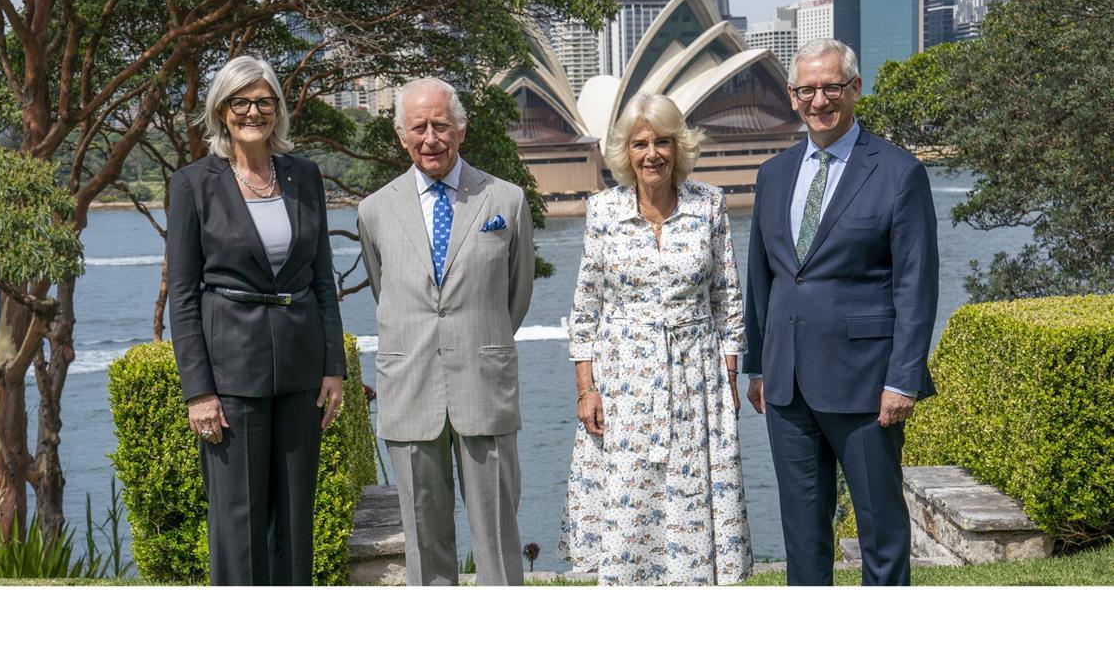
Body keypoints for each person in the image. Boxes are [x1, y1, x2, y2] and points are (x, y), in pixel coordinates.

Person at [743, 38, 939, 586]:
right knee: (803, 535)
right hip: (786, 385)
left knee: (880, 529)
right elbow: (764, 278)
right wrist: (757, 366)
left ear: (855, 89)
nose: (819, 100)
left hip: (866, 383)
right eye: (807, 89)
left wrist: (903, 379)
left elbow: (916, 285)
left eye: (831, 87)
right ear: (791, 96)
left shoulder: (899, 172)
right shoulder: (774, 174)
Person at [559, 92, 753, 585]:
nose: (652, 154)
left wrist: (728, 378)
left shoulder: (710, 204)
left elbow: (727, 297)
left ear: (678, 146)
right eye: (641, 143)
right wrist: (587, 388)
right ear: (627, 152)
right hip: (624, 382)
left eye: (663, 142)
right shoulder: (602, 210)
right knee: (631, 502)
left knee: (691, 502)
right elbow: (586, 308)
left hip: (697, 380)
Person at [167, 55, 346, 585]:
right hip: (230, 374)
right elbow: (182, 295)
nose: (253, 111)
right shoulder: (192, 184)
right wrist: (198, 391)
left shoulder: (303, 175)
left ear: (278, 110)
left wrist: (332, 368)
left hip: (300, 369)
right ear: (222, 111)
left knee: (295, 520)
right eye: (241, 102)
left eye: (264, 101)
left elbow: (321, 280)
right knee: (238, 522)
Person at [357, 77, 535, 586]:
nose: (430, 137)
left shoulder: (506, 200)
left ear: (461, 128)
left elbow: (515, 296)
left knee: (498, 539)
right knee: (423, 539)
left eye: (441, 125)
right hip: (410, 390)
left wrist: (479, 337)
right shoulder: (374, 210)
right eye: (419, 127)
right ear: (400, 135)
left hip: (484, 386)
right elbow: (384, 287)